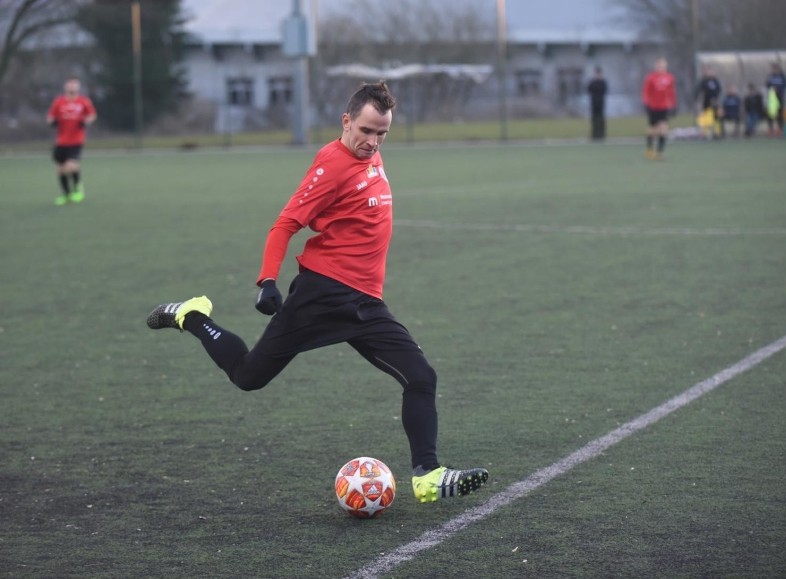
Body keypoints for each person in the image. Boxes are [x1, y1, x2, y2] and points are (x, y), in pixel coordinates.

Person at [146, 81, 488, 504]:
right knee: (249, 376)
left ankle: (428, 476)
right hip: (323, 294)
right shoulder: (331, 165)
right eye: (365, 130)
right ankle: (193, 316)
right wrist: (267, 281)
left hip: (365, 301)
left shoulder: (372, 154)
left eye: (381, 134)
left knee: (421, 377)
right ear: (346, 121)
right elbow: (284, 225)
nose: (372, 141)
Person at [46, 76, 97, 206]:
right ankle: (66, 195)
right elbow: (50, 117)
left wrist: (86, 121)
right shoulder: (59, 102)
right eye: (70, 84)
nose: (72, 86)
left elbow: (92, 115)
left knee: (71, 165)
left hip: (76, 140)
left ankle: (78, 190)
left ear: (78, 87)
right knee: (61, 169)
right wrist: (52, 121)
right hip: (61, 141)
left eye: (74, 84)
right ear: (65, 86)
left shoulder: (83, 101)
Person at [642, 57, 677, 160]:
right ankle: (649, 149)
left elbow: (671, 92)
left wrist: (674, 105)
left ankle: (660, 152)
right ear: (656, 66)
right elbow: (646, 92)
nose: (662, 67)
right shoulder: (651, 78)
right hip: (653, 106)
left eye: (664, 65)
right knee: (652, 129)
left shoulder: (670, 77)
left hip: (664, 107)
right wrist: (646, 103)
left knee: (664, 128)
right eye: (660, 65)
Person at [694, 66, 722, 138]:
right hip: (706, 103)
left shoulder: (716, 81)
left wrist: (715, 99)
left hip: (715, 102)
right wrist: (698, 101)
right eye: (708, 71)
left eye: (711, 71)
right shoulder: (703, 81)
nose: (710, 73)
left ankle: (717, 133)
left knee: (716, 118)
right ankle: (704, 134)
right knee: (706, 118)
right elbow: (699, 91)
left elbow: (719, 90)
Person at [765, 62, 786, 136]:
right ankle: (771, 130)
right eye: (773, 68)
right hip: (772, 97)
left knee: (780, 114)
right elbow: (767, 85)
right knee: (771, 114)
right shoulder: (770, 76)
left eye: (775, 68)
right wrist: (772, 89)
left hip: (780, 97)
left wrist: (779, 89)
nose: (774, 70)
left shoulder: (782, 76)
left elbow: (785, 85)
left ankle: (780, 130)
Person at [586, 66, 608, 140]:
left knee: (601, 119)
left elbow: (604, 90)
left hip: (601, 103)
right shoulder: (592, 82)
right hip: (593, 103)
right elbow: (589, 90)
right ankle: (594, 135)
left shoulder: (603, 82)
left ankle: (602, 134)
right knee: (594, 120)